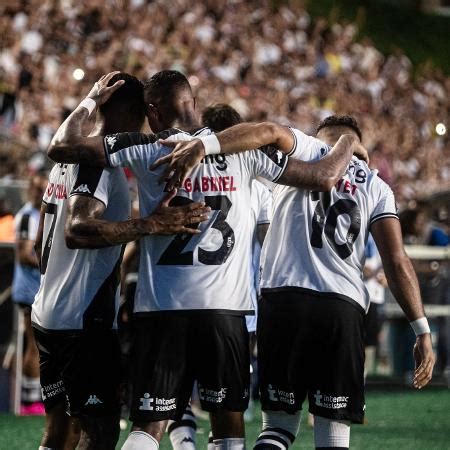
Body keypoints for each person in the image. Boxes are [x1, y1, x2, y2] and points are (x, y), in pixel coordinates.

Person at [47, 70, 366, 450]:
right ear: (193, 103)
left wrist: (93, 98)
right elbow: (323, 176)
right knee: (228, 429)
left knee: (148, 427)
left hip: (161, 308)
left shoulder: (148, 146)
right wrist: (348, 142)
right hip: (226, 313)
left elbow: (63, 146)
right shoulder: (247, 153)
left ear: (153, 110)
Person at [155, 115, 436, 450]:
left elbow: (268, 130)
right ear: (359, 145)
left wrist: (204, 145)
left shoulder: (304, 152)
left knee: (277, 430)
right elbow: (396, 260)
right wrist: (421, 329)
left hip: (281, 300)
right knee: (332, 437)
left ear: (320, 137)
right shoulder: (376, 185)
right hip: (340, 306)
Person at [32, 72, 210, 450]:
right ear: (137, 111)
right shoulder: (99, 163)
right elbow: (78, 230)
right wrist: (149, 224)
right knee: (101, 434)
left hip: (47, 312)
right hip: (82, 322)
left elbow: (39, 242)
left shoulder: (61, 166)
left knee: (60, 434)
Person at [11, 172, 47, 415]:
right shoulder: (26, 217)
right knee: (34, 346)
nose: (40, 194)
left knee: (40, 345)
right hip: (28, 289)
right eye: (36, 189)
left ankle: (34, 396)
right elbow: (25, 255)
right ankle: (28, 402)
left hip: (39, 289)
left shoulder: (41, 214)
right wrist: (52, 264)